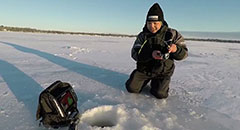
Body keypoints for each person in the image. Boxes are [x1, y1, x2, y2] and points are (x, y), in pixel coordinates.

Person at [125, 3, 188, 99]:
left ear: (161, 22)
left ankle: (159, 83)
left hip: (163, 72)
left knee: (160, 94)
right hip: (144, 70)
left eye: (155, 23)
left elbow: (184, 54)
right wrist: (150, 54)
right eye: (149, 23)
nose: (152, 26)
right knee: (131, 88)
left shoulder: (173, 34)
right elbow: (134, 54)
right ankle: (141, 79)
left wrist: (176, 49)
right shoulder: (142, 36)